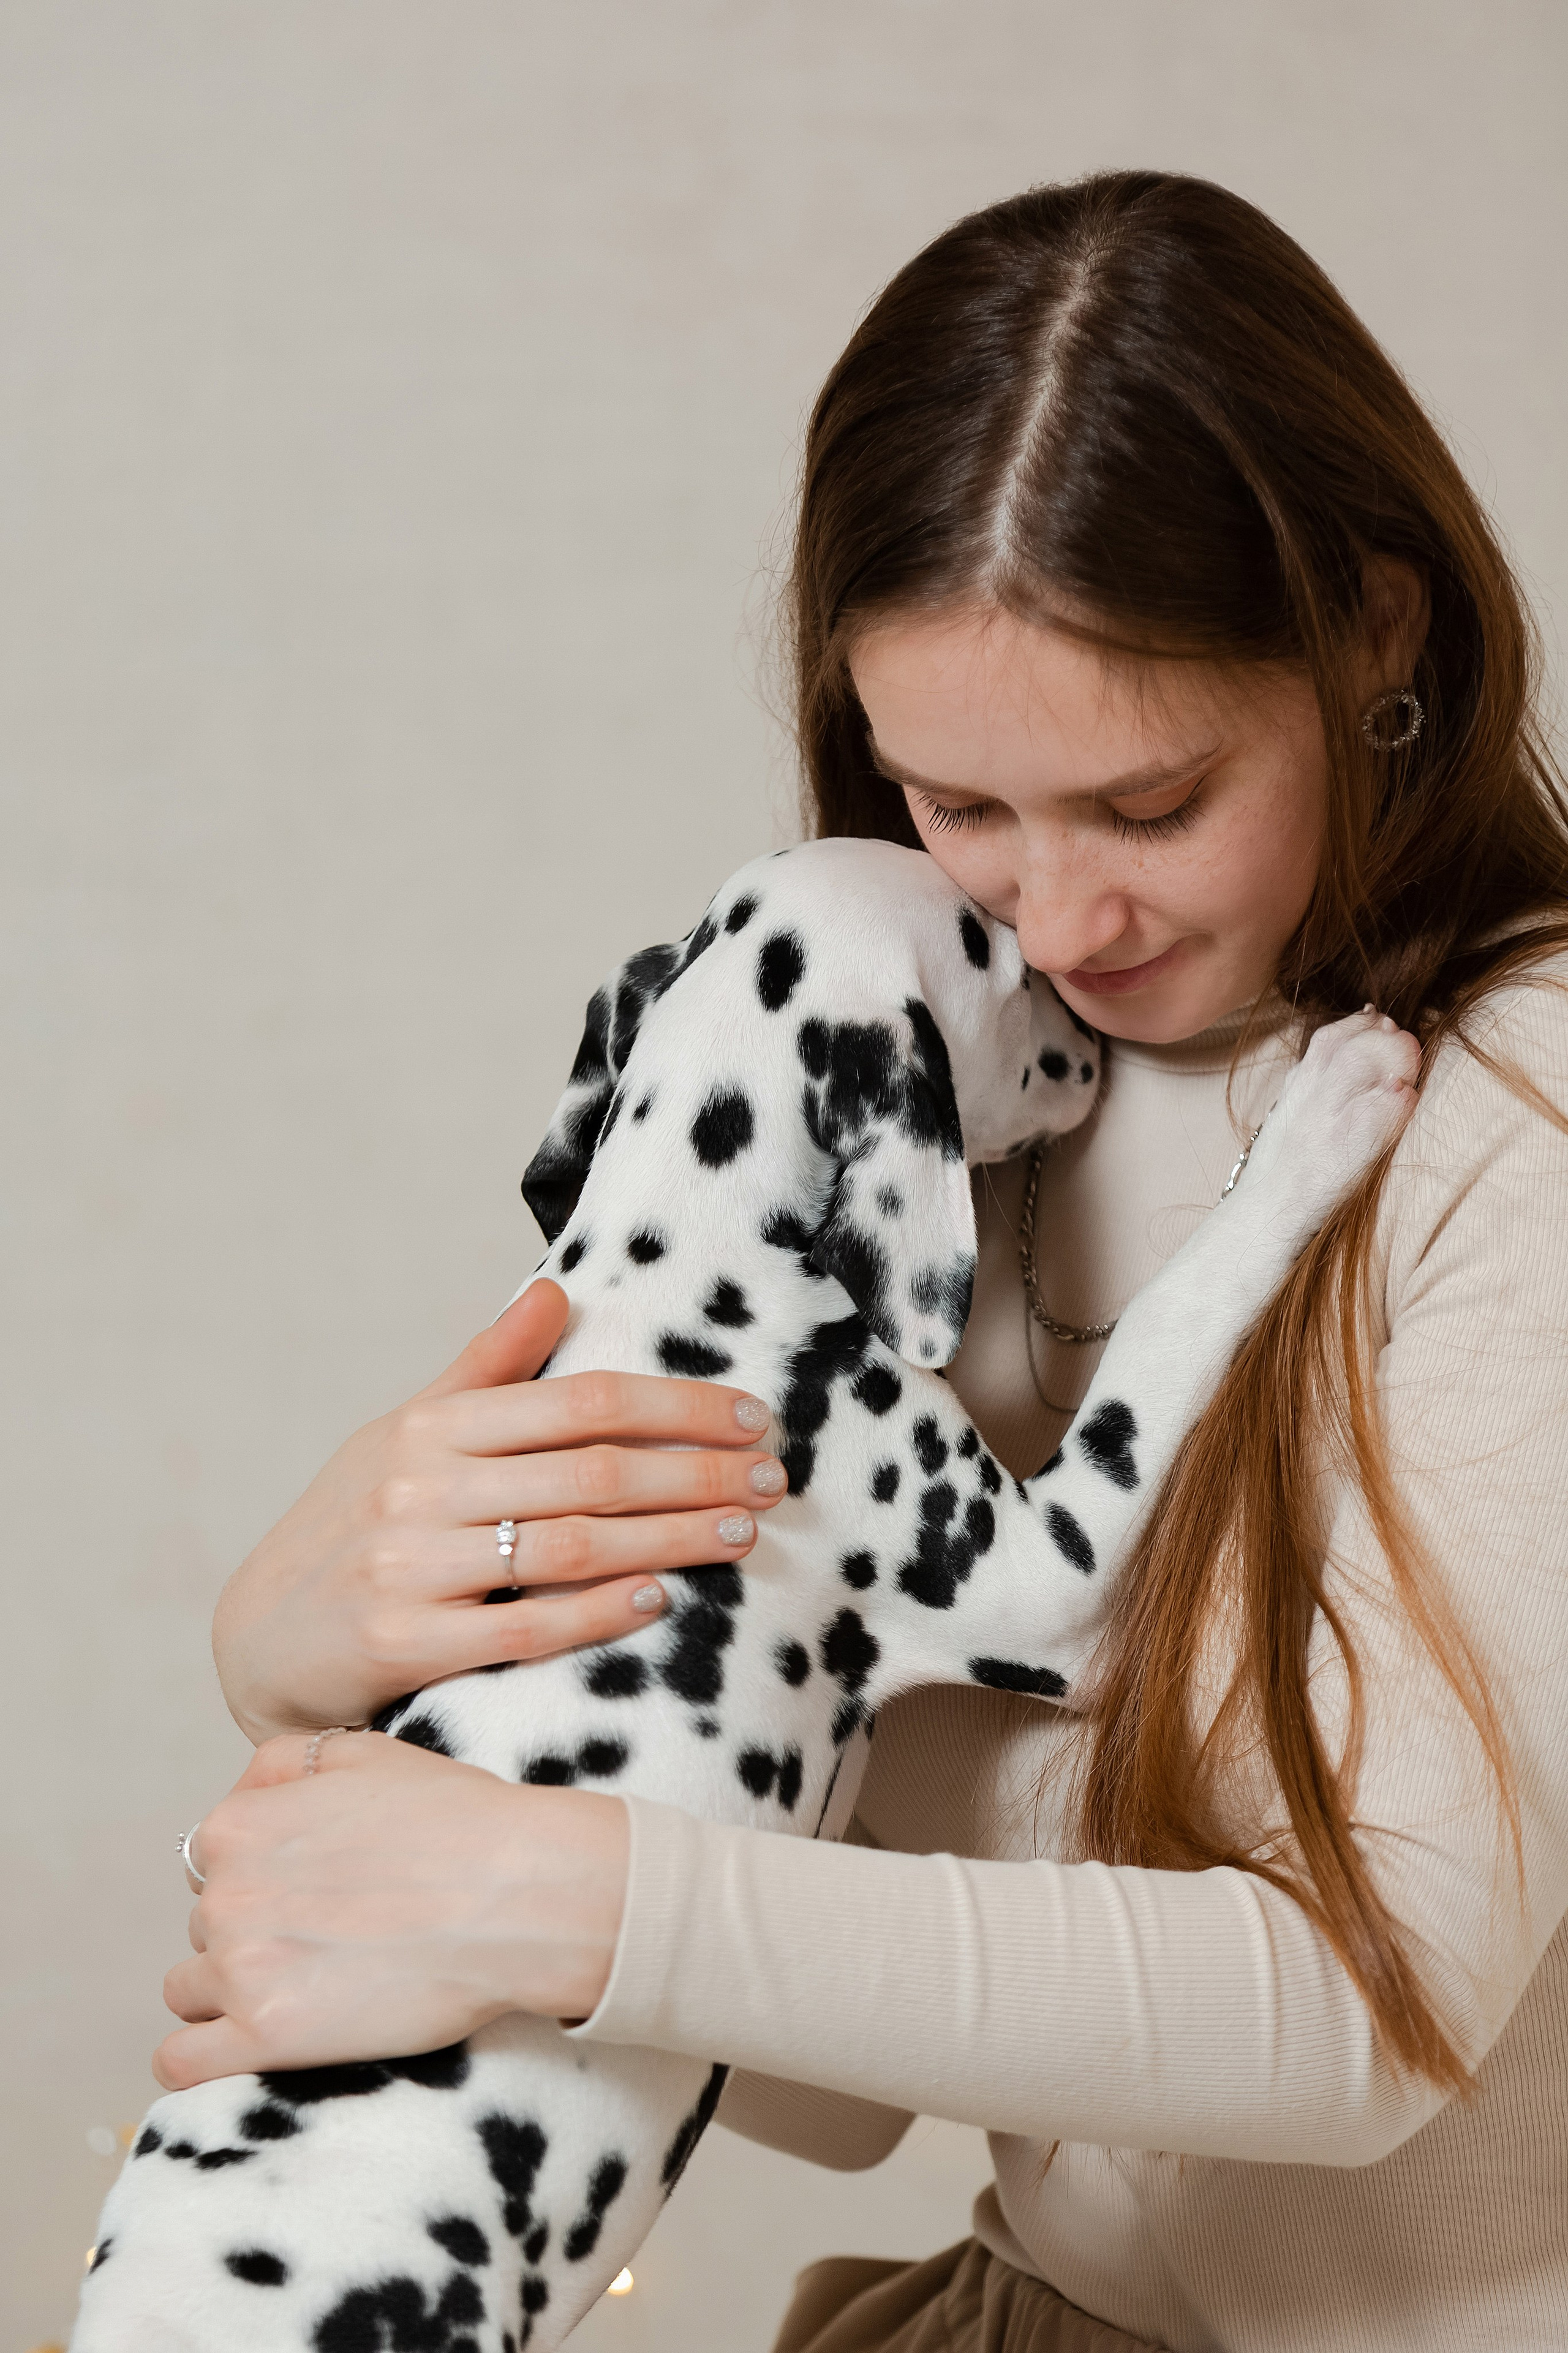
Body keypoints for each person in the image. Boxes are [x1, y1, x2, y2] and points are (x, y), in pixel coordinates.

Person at [159, 173, 1568, 2352]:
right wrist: (312, 1683)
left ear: (1381, 633)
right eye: (959, 805)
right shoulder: (954, 1100)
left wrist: (542, 1890)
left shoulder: (1520, 1116)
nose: (1060, 920)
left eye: (1151, 799)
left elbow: (1363, 2008)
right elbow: (813, 2074)